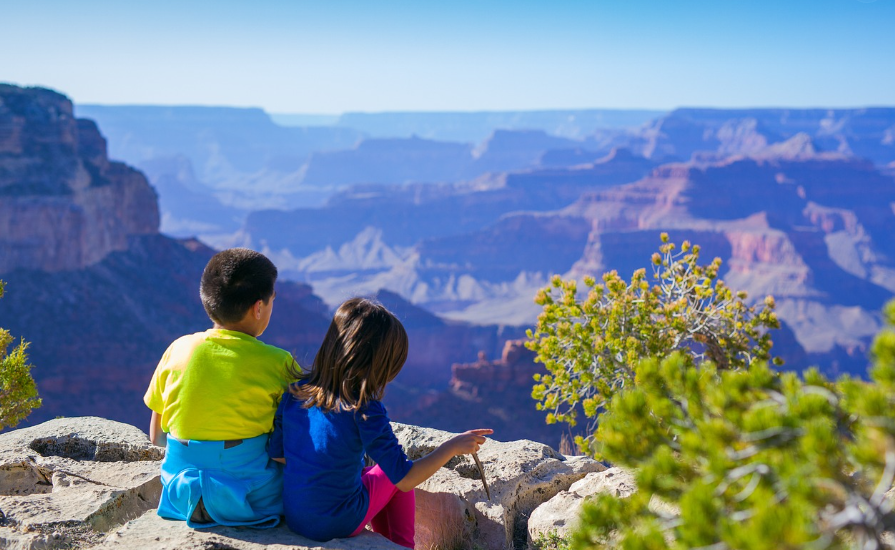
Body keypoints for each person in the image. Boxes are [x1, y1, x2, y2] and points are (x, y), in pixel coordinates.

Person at [270, 297, 492, 549]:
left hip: (297, 517)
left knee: (370, 473)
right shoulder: (364, 408)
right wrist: (452, 446)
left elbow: (279, 456)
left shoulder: (296, 392)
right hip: (337, 522)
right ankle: (402, 546)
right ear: (379, 362)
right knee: (392, 471)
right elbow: (405, 478)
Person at [143, 248, 294, 528]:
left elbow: (156, 436)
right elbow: (295, 440)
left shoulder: (178, 349)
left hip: (181, 493)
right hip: (252, 498)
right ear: (258, 307)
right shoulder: (279, 363)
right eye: (272, 301)